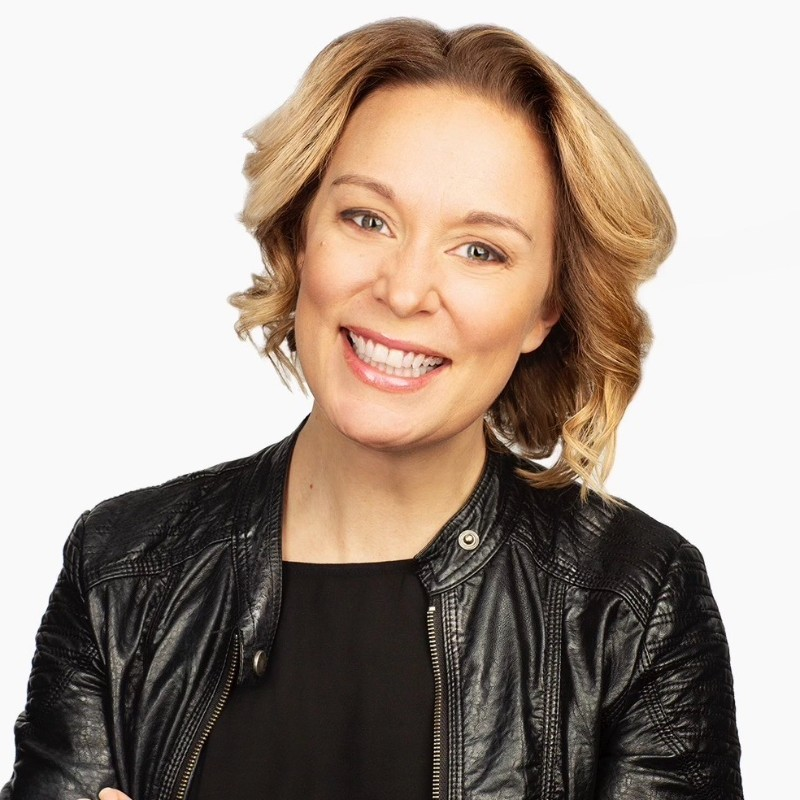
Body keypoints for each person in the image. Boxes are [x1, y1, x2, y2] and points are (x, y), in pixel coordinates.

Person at [2, 17, 743, 800]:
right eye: (367, 219)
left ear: (545, 310)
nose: (404, 289)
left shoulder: (632, 601)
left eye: (481, 249)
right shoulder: (123, 571)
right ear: (301, 234)